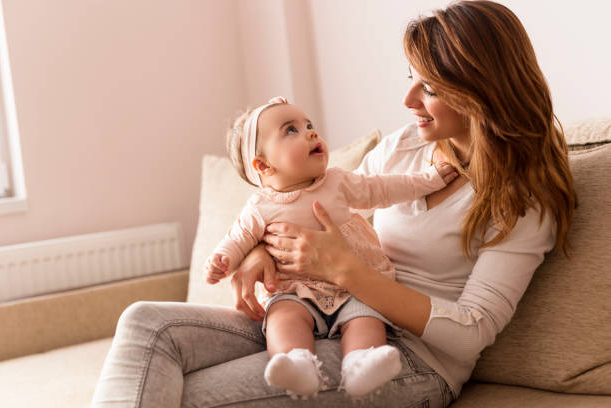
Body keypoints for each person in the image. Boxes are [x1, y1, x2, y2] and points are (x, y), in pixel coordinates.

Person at [91, 1, 577, 407]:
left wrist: (348, 272)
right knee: (145, 325)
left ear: (482, 90)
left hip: (406, 356)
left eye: (428, 87)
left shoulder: (522, 200)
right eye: (411, 78)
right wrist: (261, 248)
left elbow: (473, 332)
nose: (408, 99)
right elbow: (318, 206)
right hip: (317, 310)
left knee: (189, 395)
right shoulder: (405, 147)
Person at [204, 96, 457, 398]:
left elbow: (384, 188)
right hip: (295, 289)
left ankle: (362, 365)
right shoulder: (259, 207)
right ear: (264, 166)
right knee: (282, 316)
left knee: (366, 317)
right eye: (291, 130)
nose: (311, 132)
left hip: (353, 286)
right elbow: (237, 238)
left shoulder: (336, 181)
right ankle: (295, 365)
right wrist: (223, 259)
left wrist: (430, 179)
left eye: (308, 125)